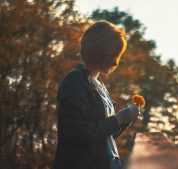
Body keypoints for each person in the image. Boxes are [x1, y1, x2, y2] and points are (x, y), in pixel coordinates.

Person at [52, 21, 140, 169]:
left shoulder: (98, 84)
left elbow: (102, 138)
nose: (116, 62)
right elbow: (78, 133)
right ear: (100, 51)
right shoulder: (75, 81)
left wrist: (124, 120)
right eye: (113, 55)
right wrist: (117, 119)